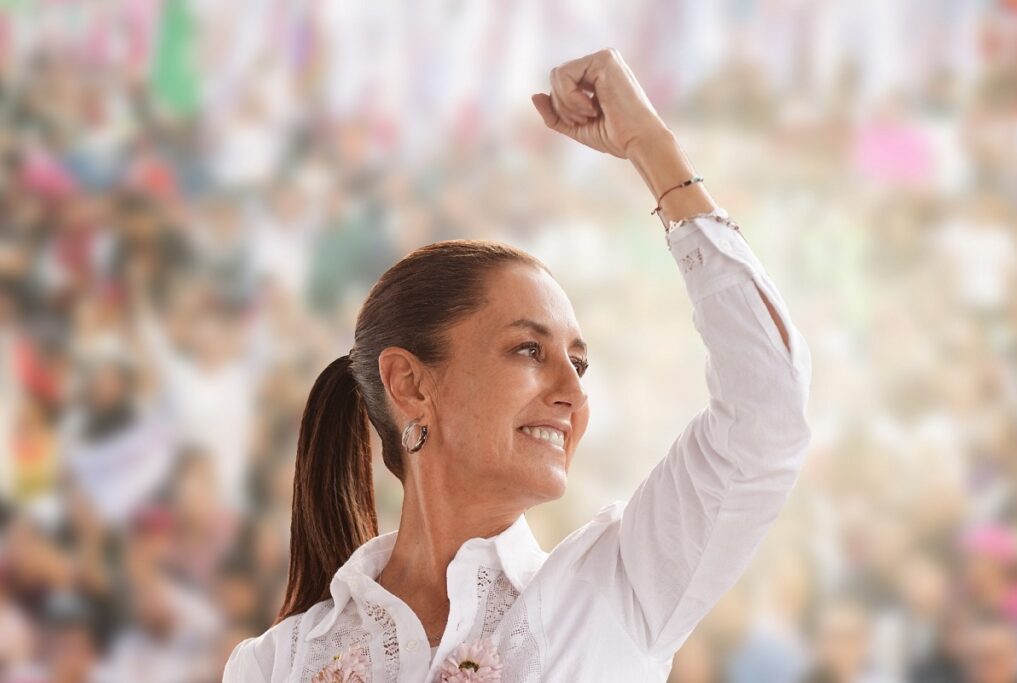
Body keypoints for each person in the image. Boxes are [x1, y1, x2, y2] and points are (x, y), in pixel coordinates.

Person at [223, 47, 812, 682]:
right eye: (529, 350)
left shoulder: (616, 595)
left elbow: (768, 407)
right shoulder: (276, 663)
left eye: (579, 365)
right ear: (410, 384)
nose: (572, 394)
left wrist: (651, 147)